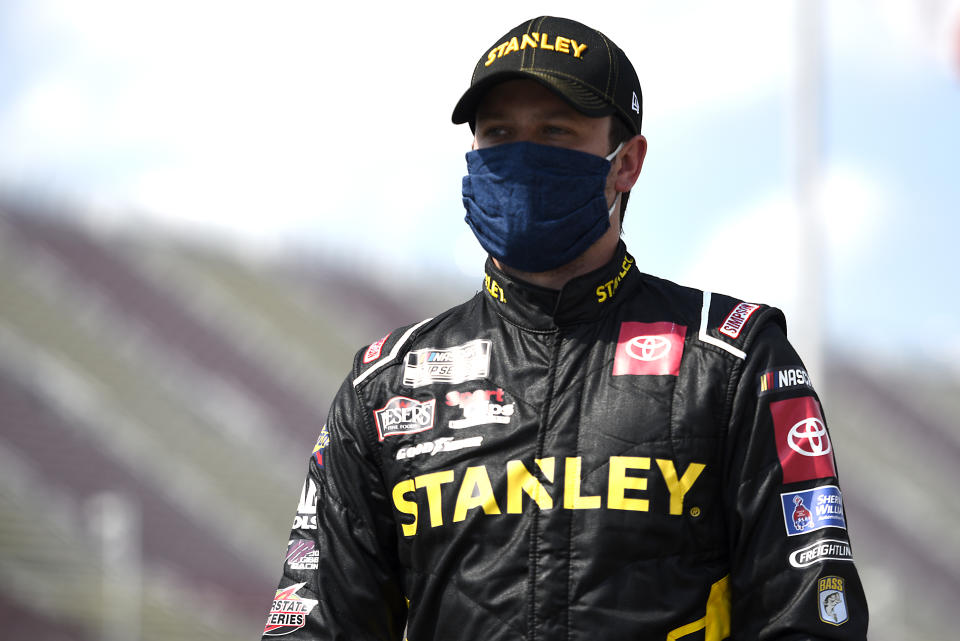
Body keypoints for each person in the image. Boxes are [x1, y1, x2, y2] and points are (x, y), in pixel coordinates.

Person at [262, 16, 868, 641]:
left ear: (627, 162)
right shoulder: (386, 385)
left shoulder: (732, 360)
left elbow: (811, 618)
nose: (523, 156)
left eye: (555, 133)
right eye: (499, 135)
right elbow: (314, 626)